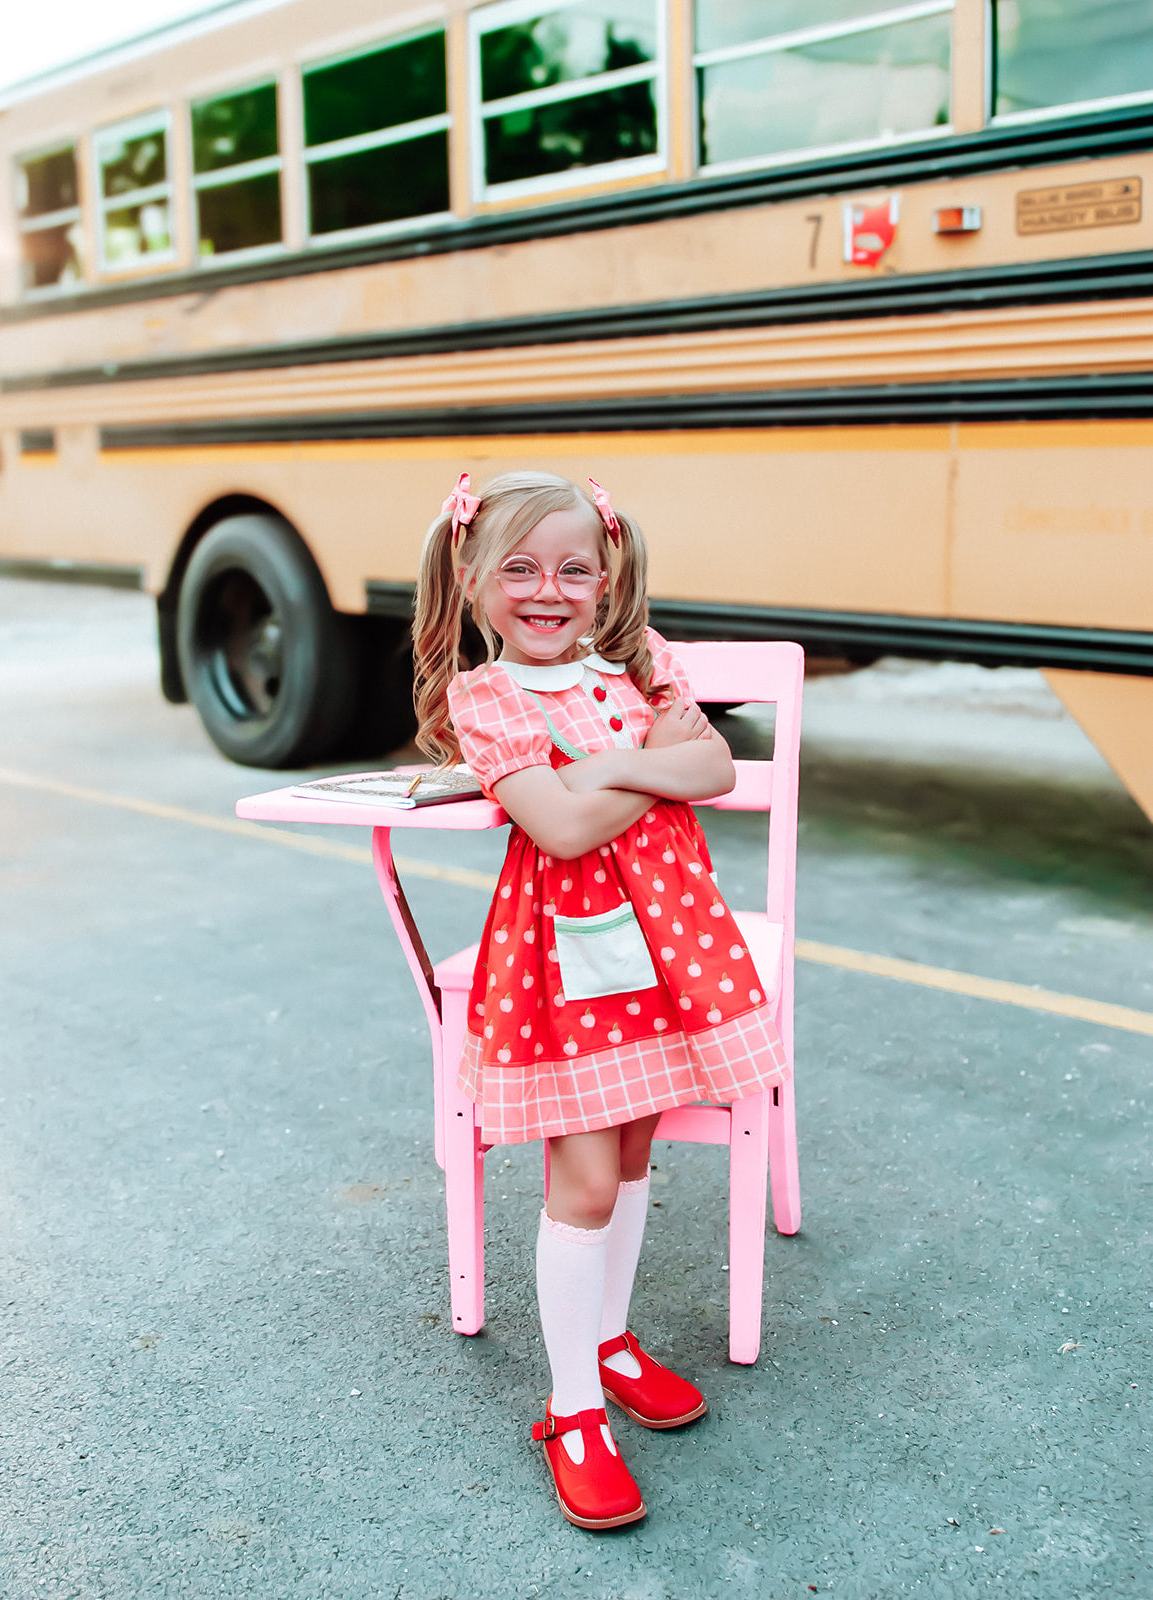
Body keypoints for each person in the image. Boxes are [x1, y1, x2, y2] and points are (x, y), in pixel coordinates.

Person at [412, 470, 789, 1530]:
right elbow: (562, 833)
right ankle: (572, 1407)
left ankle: (610, 1338)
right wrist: (646, 764)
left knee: (630, 1154)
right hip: (569, 965)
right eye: (520, 568)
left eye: (574, 567)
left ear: (606, 572)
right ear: (474, 578)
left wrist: (595, 764)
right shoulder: (481, 695)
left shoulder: (636, 658)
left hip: (667, 947)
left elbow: (713, 766)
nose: (549, 589)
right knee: (579, 1178)